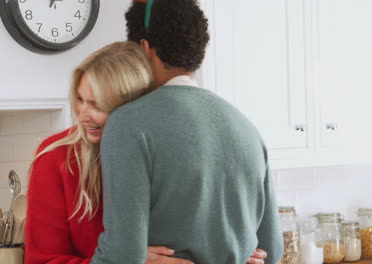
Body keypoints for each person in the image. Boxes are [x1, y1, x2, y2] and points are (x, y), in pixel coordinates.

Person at [25, 41, 268, 264]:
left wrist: (240, 250)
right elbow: (41, 260)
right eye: (79, 99)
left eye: (97, 104)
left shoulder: (169, 149)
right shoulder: (56, 158)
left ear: (132, 106)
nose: (82, 114)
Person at [89, 0, 284, 264]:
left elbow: (122, 253)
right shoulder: (246, 127)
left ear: (144, 48)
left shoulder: (128, 124)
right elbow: (271, 249)